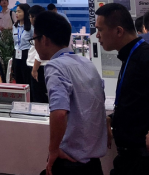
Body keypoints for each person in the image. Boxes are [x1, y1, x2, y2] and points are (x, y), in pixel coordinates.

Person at [95, 3, 149, 175]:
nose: (97, 35)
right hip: (130, 160)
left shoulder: (147, 55)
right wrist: (112, 119)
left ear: (119, 31)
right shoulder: (131, 56)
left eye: (100, 30)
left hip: (146, 162)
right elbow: (140, 101)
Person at [33, 11, 107, 175]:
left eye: (34, 40)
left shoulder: (55, 66)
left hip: (70, 163)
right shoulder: (87, 64)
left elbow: (59, 113)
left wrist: (53, 150)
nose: (35, 46)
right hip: (94, 164)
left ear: (44, 39)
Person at [27, 5, 48, 104]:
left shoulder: (41, 31)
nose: (30, 19)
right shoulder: (40, 29)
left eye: (30, 17)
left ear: (35, 17)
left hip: (39, 67)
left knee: (39, 98)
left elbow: (40, 52)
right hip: (38, 66)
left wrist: (35, 69)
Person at [12, 3, 33, 85]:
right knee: (18, 78)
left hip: (26, 54)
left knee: (26, 79)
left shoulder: (31, 27)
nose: (17, 14)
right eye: (16, 11)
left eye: (19, 11)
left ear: (26, 13)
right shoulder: (15, 26)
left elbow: (34, 43)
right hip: (16, 53)